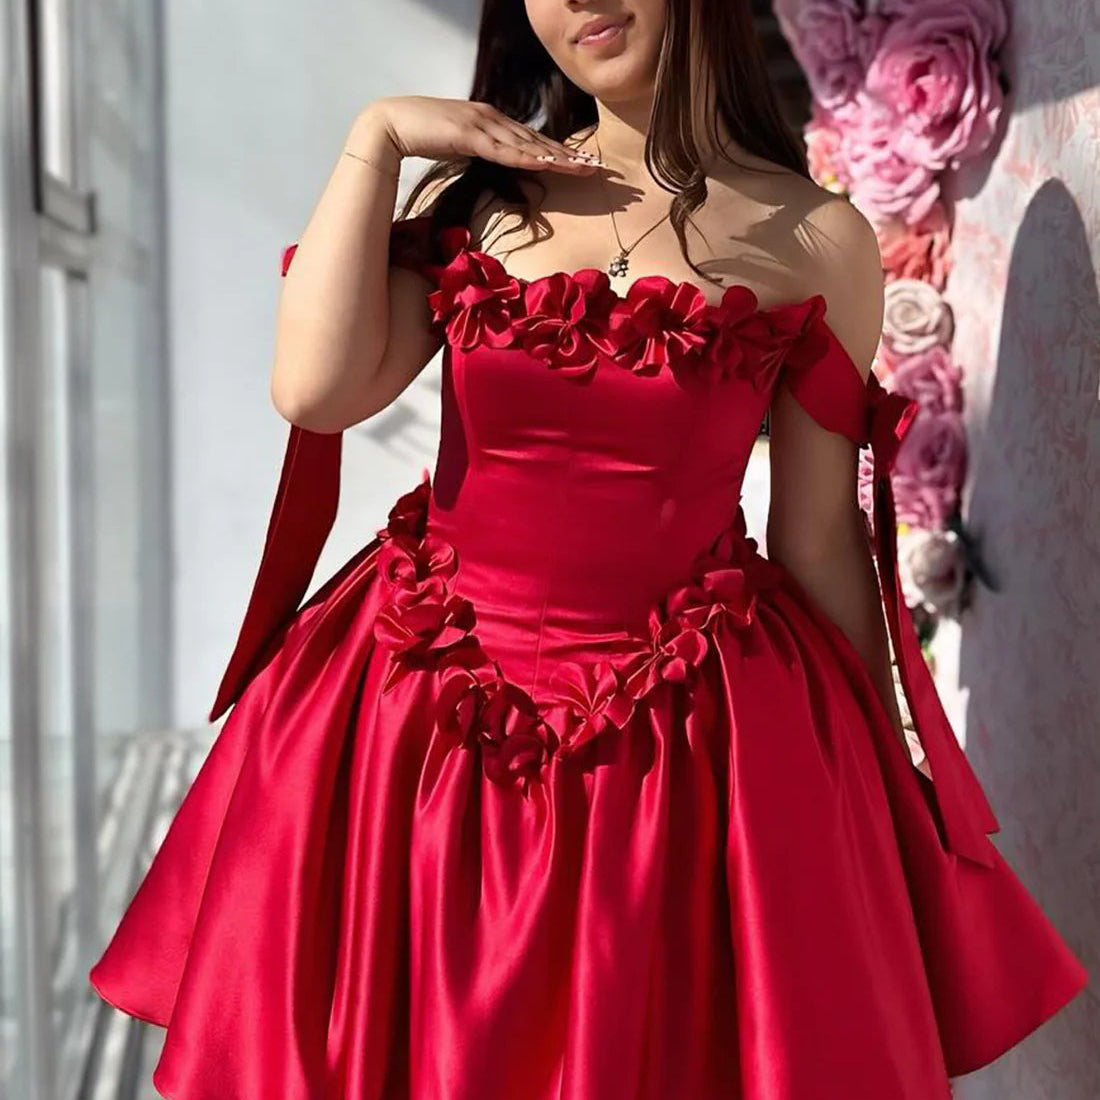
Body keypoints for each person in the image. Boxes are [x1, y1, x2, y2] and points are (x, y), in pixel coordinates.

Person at [89, 1, 1087, 1097]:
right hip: (417, 718)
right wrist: (373, 138)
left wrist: (878, 784)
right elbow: (314, 392)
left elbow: (817, 534)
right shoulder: (480, 210)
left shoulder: (815, 240)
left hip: (689, 744)